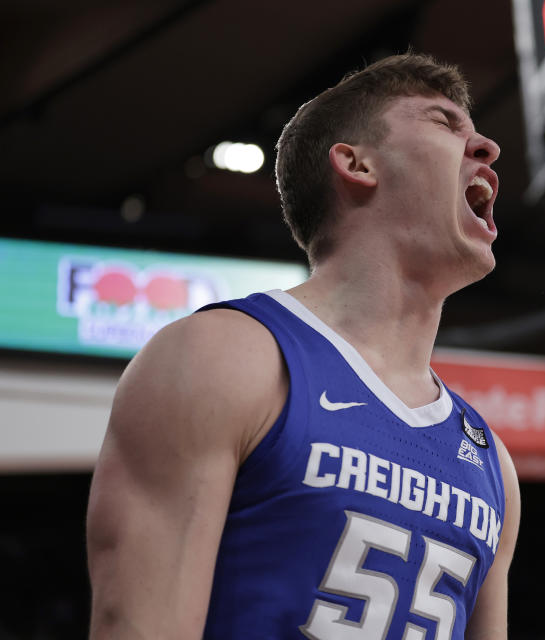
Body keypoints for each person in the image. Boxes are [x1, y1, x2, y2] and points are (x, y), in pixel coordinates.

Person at [85, 52, 520, 639]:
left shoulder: (491, 464)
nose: (486, 147)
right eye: (444, 124)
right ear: (356, 163)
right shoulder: (223, 357)